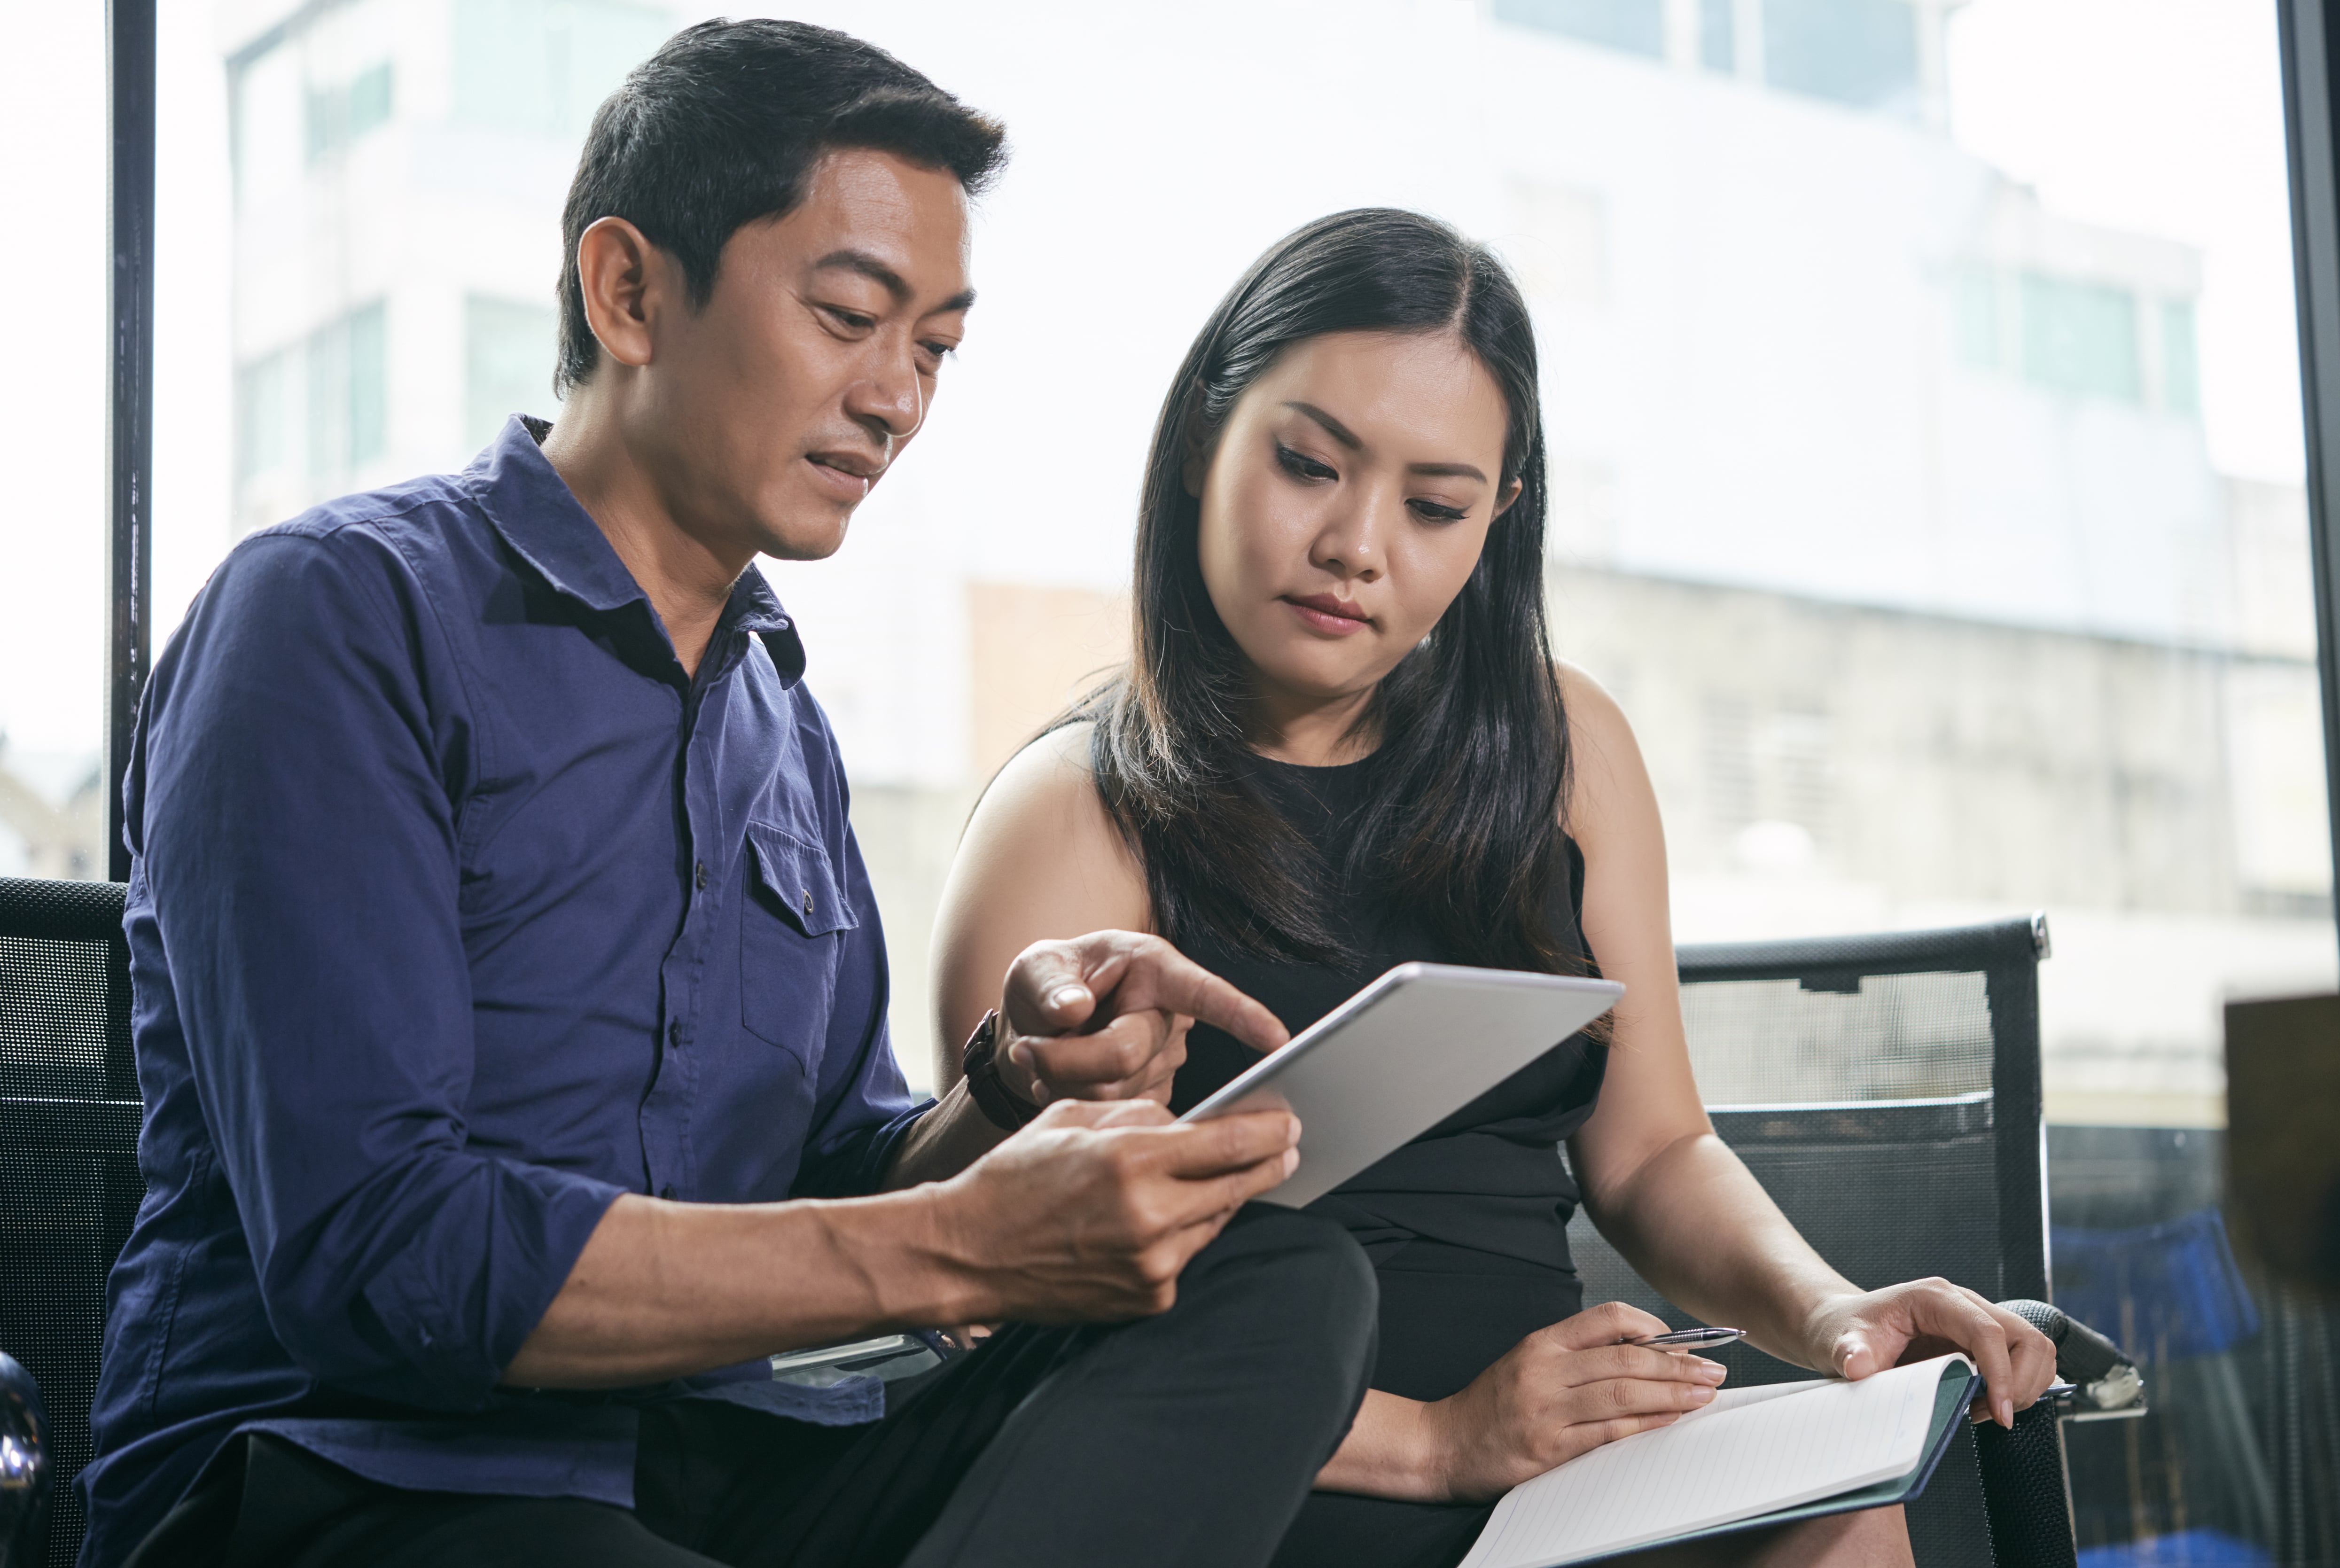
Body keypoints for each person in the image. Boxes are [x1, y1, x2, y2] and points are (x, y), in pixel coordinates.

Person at [79, 22, 1383, 1568]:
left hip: (707, 1466)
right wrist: (962, 1243)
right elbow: (380, 1257)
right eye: (851, 315)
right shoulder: (337, 617)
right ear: (628, 290)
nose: (899, 396)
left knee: (1283, 1285)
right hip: (343, 1477)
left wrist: (1014, 1092)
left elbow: (837, 1164)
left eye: (938, 347)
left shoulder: (781, 722)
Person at [931, 208, 2063, 1568]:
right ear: (1198, 444)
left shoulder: (1565, 747)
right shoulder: (1071, 813)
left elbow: (1651, 1150)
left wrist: (1832, 1312)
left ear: (1498, 517)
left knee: (1842, 1521)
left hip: (1557, 1450)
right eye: (1307, 465)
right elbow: (1032, 1309)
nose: (1358, 544)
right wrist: (1443, 1437)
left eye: (1433, 505)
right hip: (1272, 1460)